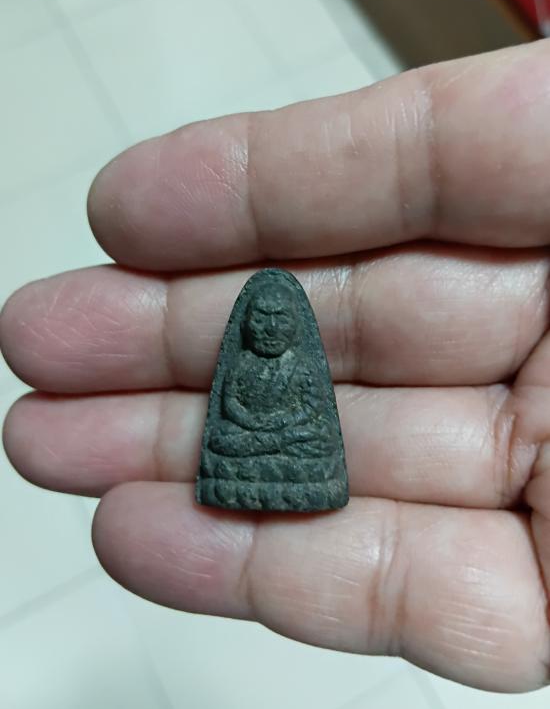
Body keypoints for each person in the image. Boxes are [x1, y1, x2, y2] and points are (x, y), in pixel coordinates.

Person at [2, 39, 550, 694]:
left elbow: (307, 415)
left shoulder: (298, 363)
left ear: (292, 326)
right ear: (246, 324)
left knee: (305, 446)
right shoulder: (245, 362)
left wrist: (281, 426)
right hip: (249, 444)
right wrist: (254, 423)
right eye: (257, 321)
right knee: (232, 442)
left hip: (289, 446)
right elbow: (232, 405)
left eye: (275, 321)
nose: (265, 329)